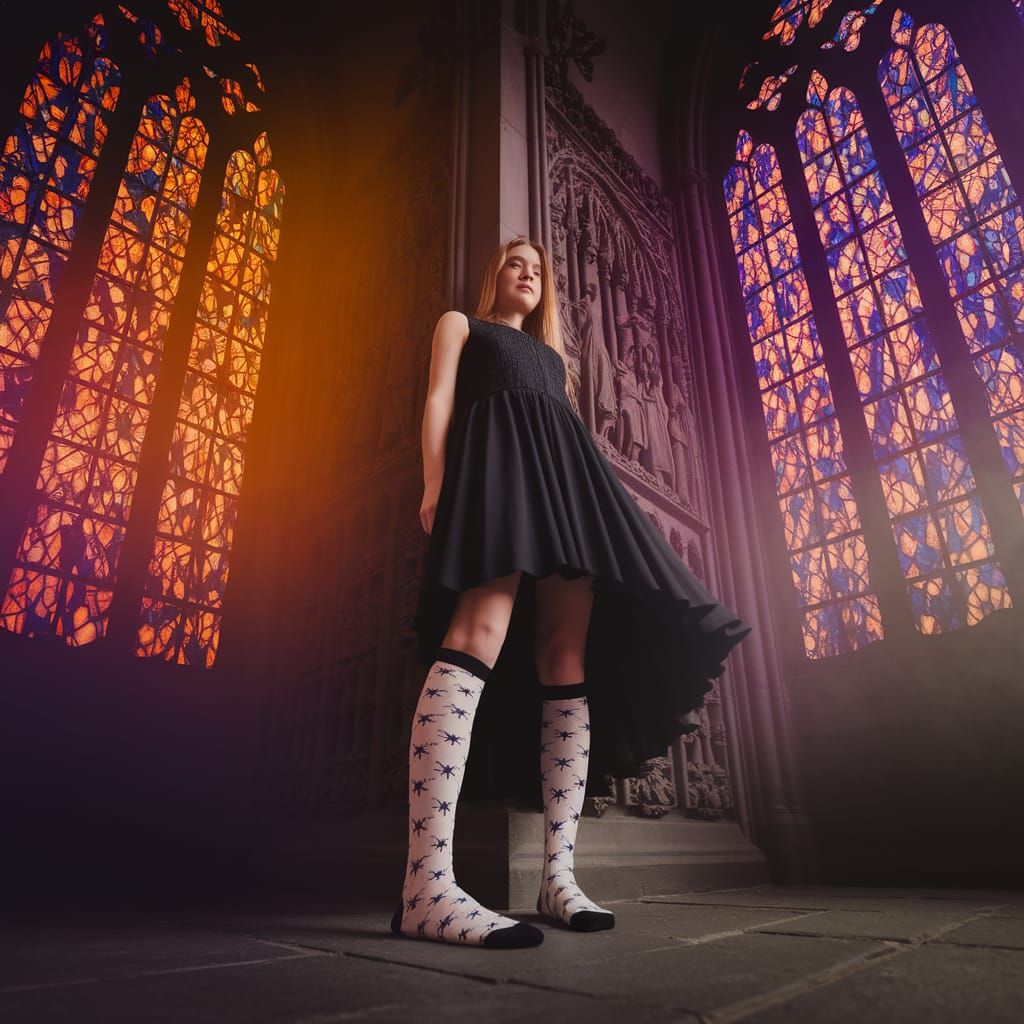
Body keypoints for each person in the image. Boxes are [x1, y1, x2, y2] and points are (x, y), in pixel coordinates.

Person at [390, 237, 753, 949]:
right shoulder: (462, 325)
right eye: (515, 263)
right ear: (494, 272)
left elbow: (562, 427)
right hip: (499, 474)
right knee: (476, 633)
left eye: (538, 269)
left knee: (565, 655)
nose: (527, 273)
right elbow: (439, 398)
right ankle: (425, 884)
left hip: (566, 486)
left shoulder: (559, 361)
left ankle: (559, 876)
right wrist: (436, 481)